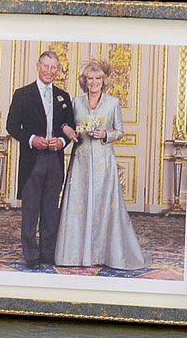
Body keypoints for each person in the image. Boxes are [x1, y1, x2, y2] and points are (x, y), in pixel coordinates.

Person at [52, 58, 147, 272]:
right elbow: (65, 124)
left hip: (104, 163)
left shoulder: (113, 103)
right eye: (90, 78)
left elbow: (120, 131)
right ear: (84, 81)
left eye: (98, 78)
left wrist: (105, 134)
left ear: (104, 81)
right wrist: (70, 130)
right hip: (81, 162)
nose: (94, 82)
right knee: (78, 205)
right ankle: (75, 254)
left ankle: (103, 253)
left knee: (105, 207)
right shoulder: (76, 102)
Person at [4, 51, 78, 270]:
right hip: (32, 160)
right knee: (31, 209)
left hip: (54, 160)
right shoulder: (23, 94)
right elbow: (12, 126)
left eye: (54, 67)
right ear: (38, 66)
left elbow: (69, 126)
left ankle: (48, 252)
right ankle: (31, 255)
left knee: (50, 209)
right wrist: (31, 139)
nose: (49, 71)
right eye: (46, 66)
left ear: (58, 70)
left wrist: (62, 142)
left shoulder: (63, 96)